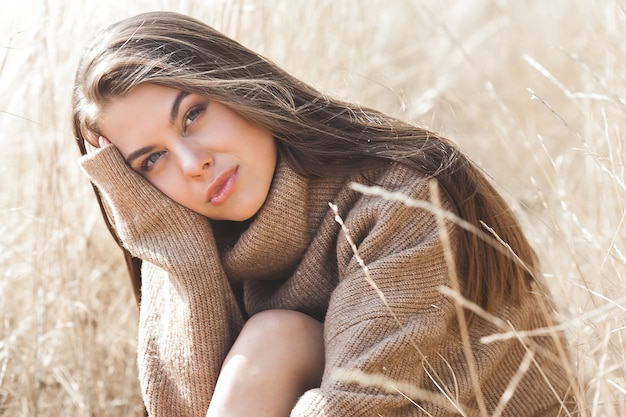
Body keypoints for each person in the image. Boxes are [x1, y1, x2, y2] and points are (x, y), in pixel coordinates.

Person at [72, 11, 579, 417]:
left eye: (194, 114)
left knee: (275, 340)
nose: (193, 164)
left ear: (239, 86)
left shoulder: (396, 198)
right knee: (276, 339)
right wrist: (170, 239)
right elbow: (188, 410)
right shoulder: (203, 235)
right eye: (152, 160)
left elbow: (358, 406)